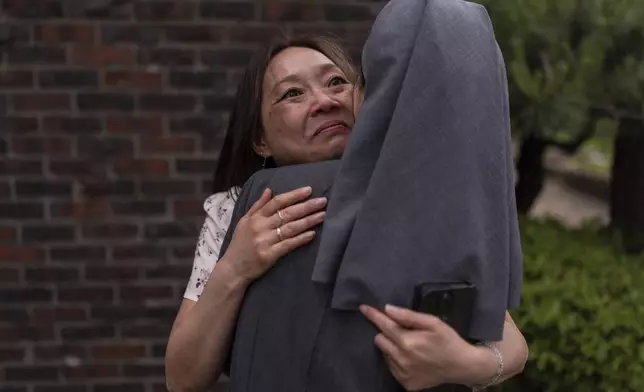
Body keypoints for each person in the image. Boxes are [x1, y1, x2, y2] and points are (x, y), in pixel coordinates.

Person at [165, 33, 528, 392]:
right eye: (293, 93)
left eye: (337, 82)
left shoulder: (419, 196)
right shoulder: (232, 212)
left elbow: (511, 345)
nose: (325, 101)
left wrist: (463, 363)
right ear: (260, 139)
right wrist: (235, 267)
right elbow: (181, 379)